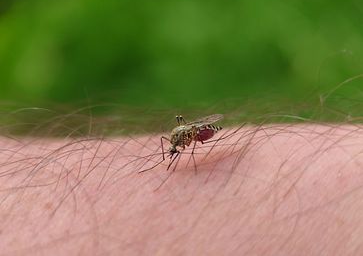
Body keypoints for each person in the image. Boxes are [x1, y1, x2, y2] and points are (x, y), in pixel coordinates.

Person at [1, 123, 362, 255]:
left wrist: (192, 141)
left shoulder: (187, 137)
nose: (176, 147)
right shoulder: (174, 139)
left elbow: (191, 138)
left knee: (186, 142)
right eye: (176, 147)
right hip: (192, 131)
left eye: (177, 147)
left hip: (198, 130)